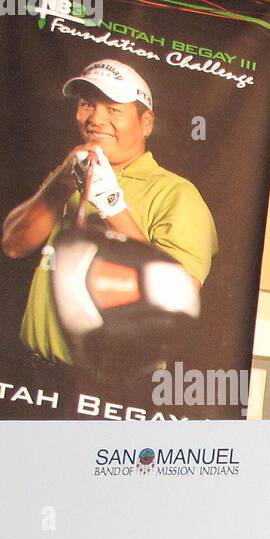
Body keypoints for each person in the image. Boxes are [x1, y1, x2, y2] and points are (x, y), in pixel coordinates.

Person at [1, 59, 218, 374]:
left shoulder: (178, 194)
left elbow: (177, 297)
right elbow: (13, 245)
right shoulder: (67, 176)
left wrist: (113, 206)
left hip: (111, 390)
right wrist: (61, 182)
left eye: (114, 108)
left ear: (146, 123)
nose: (96, 119)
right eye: (88, 104)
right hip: (31, 374)